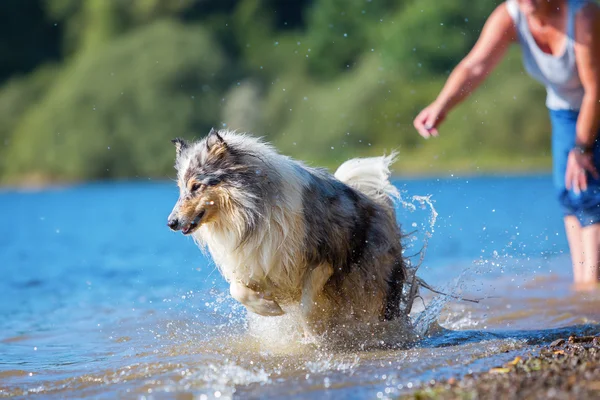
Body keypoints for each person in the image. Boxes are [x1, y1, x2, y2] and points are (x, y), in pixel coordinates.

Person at [414, 0, 600, 290]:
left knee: (590, 194)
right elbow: (475, 66)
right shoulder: (511, 14)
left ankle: (591, 289)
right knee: (568, 194)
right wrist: (442, 105)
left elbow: (594, 90)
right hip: (564, 111)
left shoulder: (584, 14)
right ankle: (583, 288)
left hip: (594, 105)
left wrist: (582, 148)